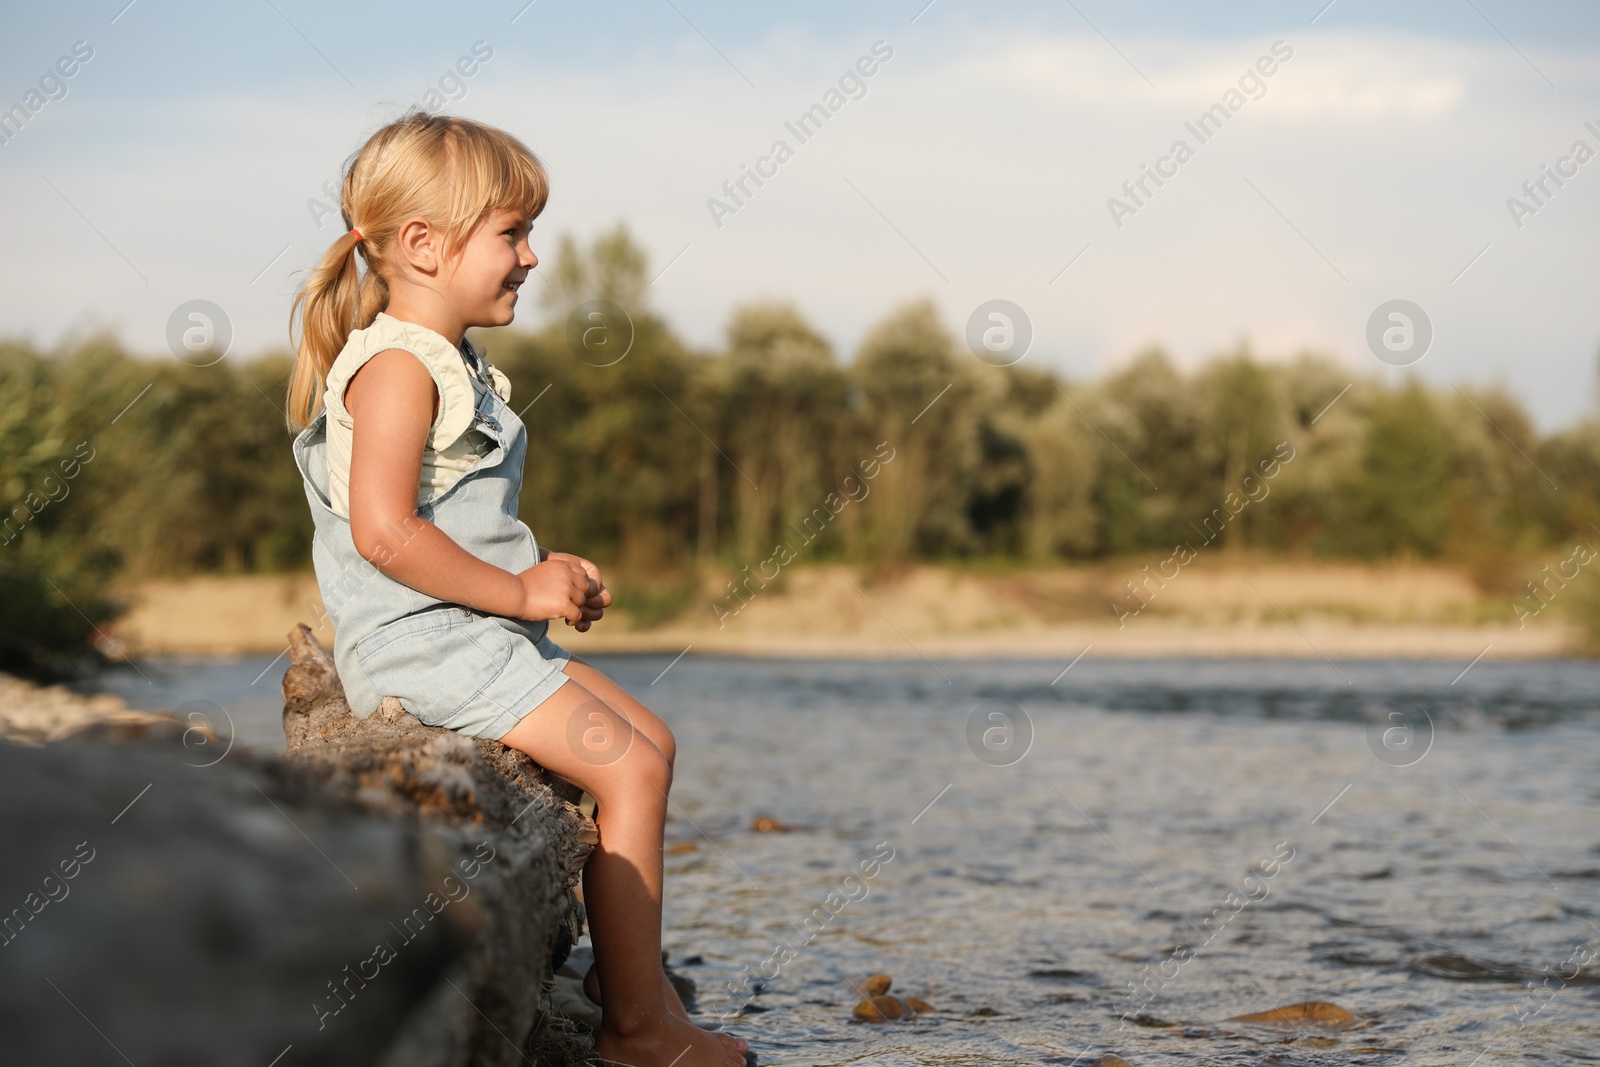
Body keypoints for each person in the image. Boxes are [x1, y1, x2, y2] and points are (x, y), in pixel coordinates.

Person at [284, 109, 749, 1067]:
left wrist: (546, 577)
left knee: (652, 744)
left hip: (472, 633)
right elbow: (384, 532)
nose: (532, 257)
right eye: (512, 233)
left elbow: (452, 515)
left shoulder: (447, 363)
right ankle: (638, 1031)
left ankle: (628, 974)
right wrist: (518, 589)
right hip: (428, 645)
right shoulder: (397, 370)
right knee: (628, 768)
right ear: (422, 245)